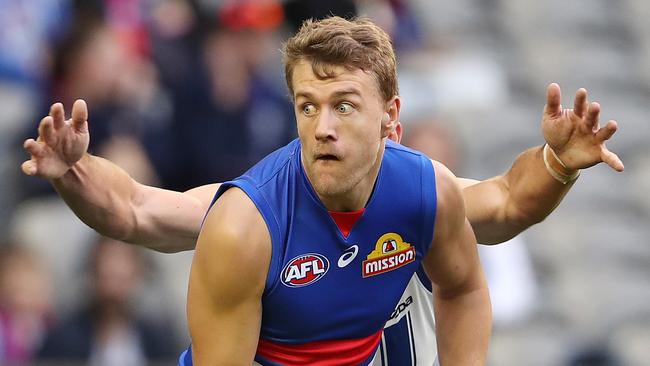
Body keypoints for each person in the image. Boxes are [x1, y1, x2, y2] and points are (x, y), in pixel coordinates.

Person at [21, 16, 623, 366]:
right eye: (307, 106)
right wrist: (73, 170)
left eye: (344, 105)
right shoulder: (246, 224)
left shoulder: (422, 190)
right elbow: (133, 208)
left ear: (391, 117)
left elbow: (500, 219)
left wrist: (558, 164)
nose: (323, 126)